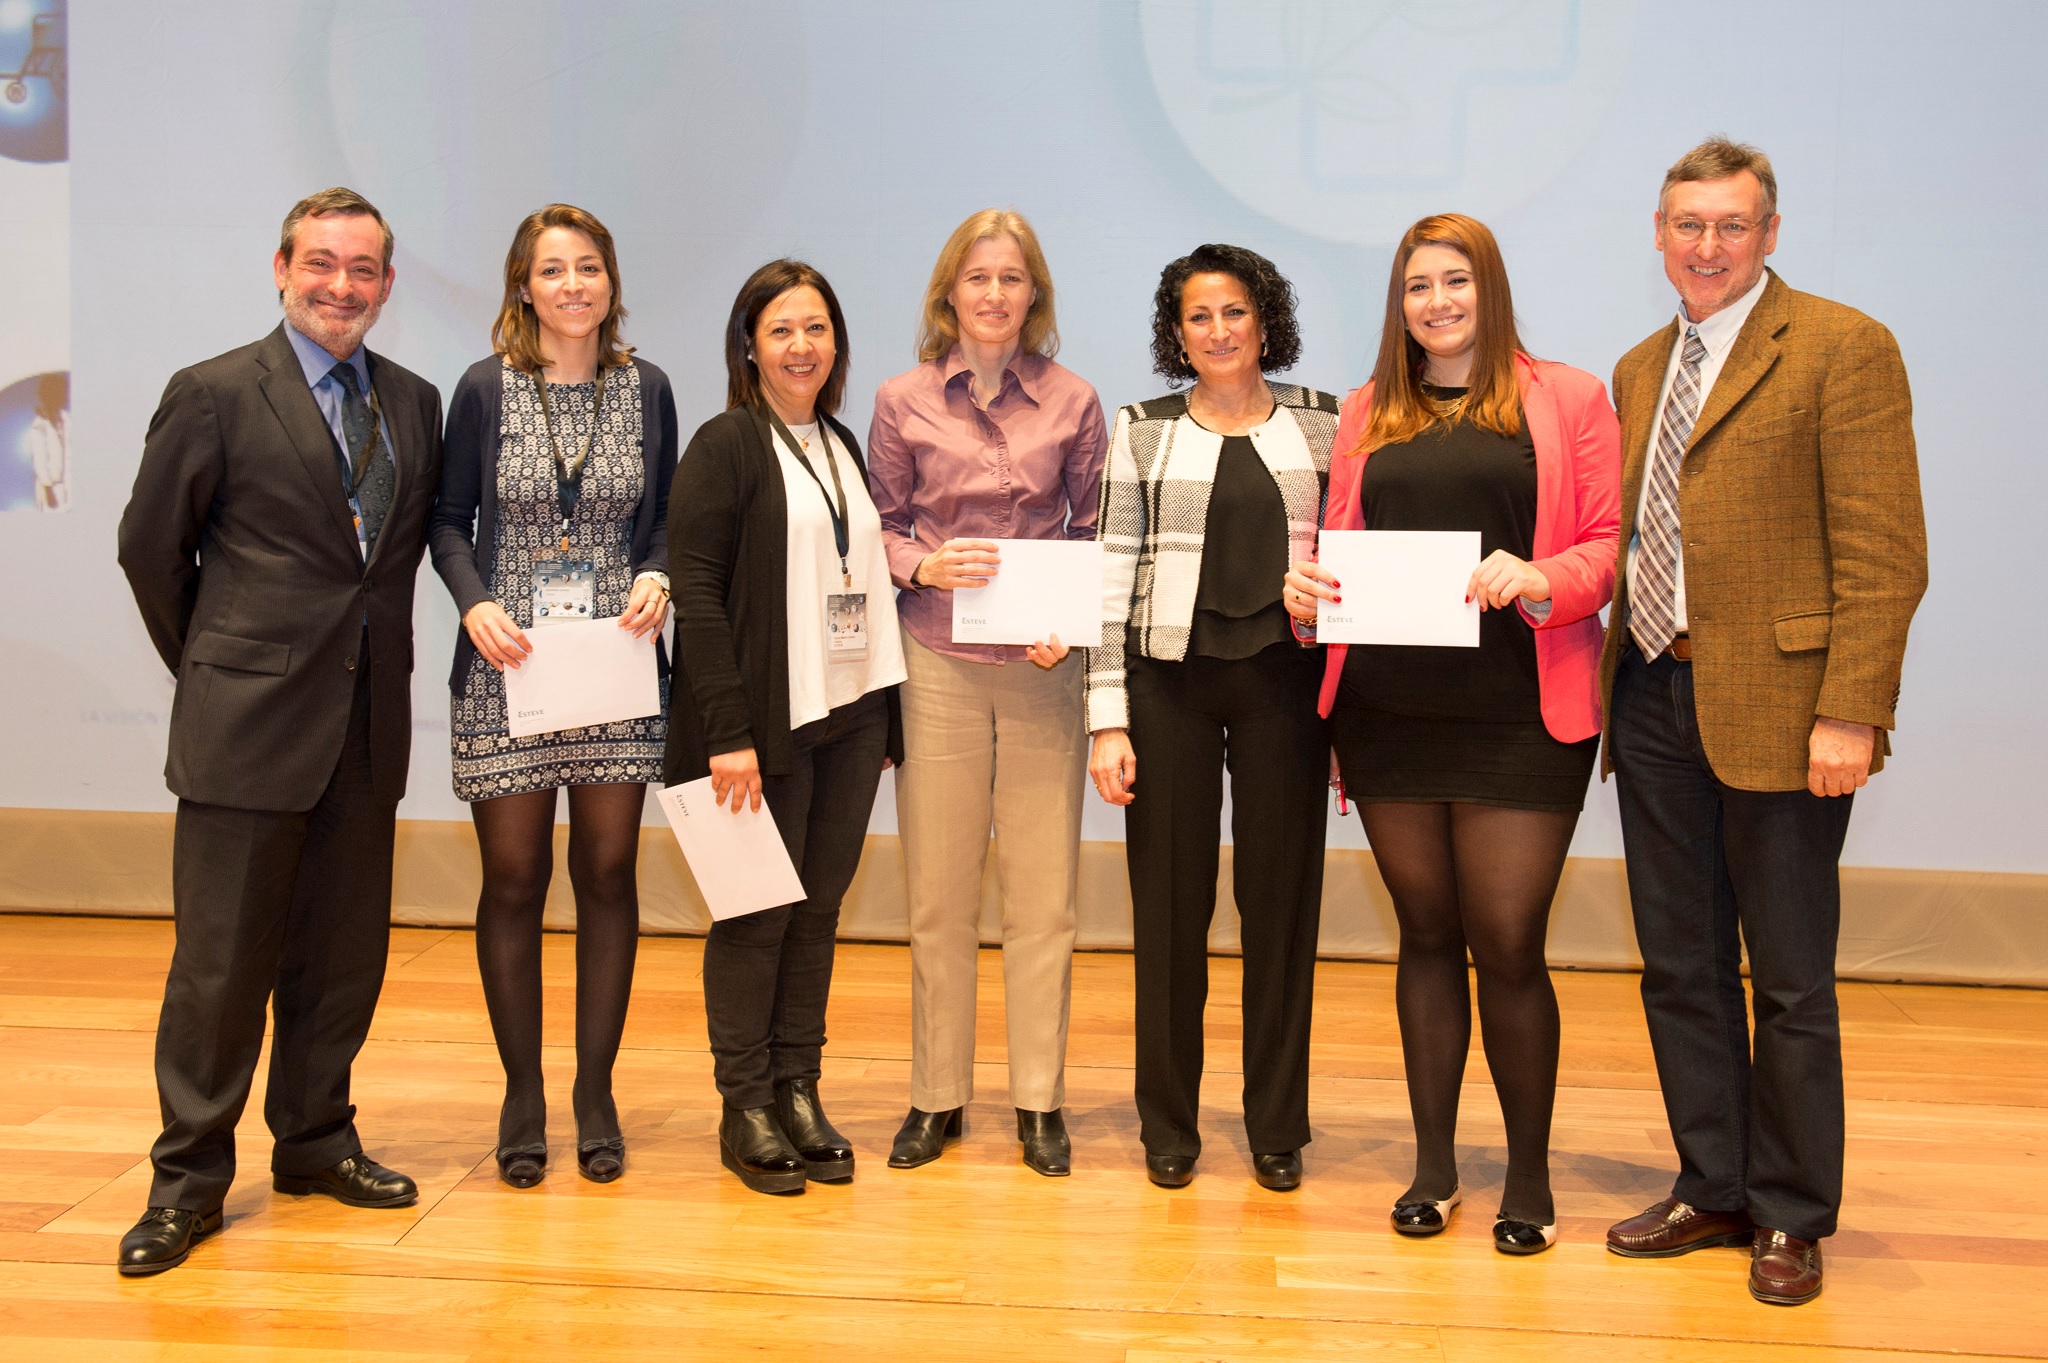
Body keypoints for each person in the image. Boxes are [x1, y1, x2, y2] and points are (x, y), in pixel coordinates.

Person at [1596, 138, 1926, 1306]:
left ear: (1769, 232)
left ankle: (1789, 1212)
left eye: (1730, 225)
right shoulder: (1639, 368)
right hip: (1646, 696)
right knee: (1678, 966)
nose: (1706, 245)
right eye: (1687, 223)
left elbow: (1885, 554)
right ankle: (1712, 1181)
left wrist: (1850, 710)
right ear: (1656, 230)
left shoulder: (1841, 345)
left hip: (1787, 712)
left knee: (1787, 976)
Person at [112, 188, 443, 1274]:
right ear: (280, 266)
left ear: (387, 285)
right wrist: (217, 669)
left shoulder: (414, 401)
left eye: (362, 269)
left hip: (362, 728)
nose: (340, 285)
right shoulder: (211, 393)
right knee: (219, 969)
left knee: (341, 960)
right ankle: (186, 1179)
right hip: (245, 728)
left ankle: (312, 1140)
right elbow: (149, 552)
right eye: (321, 263)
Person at [1284, 214, 1621, 1254]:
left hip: (1521, 714)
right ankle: (1433, 1167)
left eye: (1454, 280)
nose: (1435, 301)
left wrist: (1540, 577)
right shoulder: (1363, 411)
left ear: (1489, 289)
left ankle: (1526, 1176)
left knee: (1507, 943)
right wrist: (1306, 594)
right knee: (1424, 936)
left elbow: (1606, 545)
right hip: (1389, 712)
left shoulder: (1564, 396)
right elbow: (1339, 547)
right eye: (1417, 285)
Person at [428, 205, 679, 1189]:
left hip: (616, 666)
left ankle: (594, 1092)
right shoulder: (483, 390)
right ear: (521, 287)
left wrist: (656, 574)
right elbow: (448, 522)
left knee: (609, 872)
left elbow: (661, 521)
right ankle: (523, 1091)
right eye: (552, 269)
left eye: (588, 267)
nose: (572, 284)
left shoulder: (646, 387)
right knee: (516, 880)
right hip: (510, 666)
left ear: (609, 282)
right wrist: (475, 602)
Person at [1088, 244, 1338, 1192]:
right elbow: (1114, 576)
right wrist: (1106, 718)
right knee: (1169, 913)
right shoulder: (1142, 429)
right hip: (1168, 688)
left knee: (1281, 910)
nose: (1219, 331)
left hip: (1285, 686)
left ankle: (1277, 1123)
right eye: (1199, 316)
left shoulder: (1324, 424)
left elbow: (1352, 551)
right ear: (1177, 332)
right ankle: (1169, 1125)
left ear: (1264, 321)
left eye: (1235, 312)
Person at [867, 209, 1107, 1176]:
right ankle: (937, 1095)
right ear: (949, 294)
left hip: (1045, 670)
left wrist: (1074, 620)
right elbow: (877, 527)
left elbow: (1094, 535)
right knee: (939, 892)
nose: (996, 295)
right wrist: (924, 567)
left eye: (1013, 279)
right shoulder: (900, 399)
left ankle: (1040, 1100)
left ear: (1033, 295)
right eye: (978, 279)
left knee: (1045, 899)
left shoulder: (1078, 401)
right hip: (938, 664)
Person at [664, 259, 907, 1195]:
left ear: (835, 342)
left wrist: (885, 718)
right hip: (760, 726)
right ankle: (747, 1104)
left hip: (850, 719)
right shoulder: (725, 445)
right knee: (755, 913)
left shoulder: (843, 444)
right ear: (749, 347)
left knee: (817, 912)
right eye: (781, 330)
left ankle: (800, 1086)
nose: (801, 346)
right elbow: (701, 596)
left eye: (816, 328)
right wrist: (729, 732)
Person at [28, 370, 69, 511]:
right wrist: (47, 487)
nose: (64, 396)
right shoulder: (39, 425)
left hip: (67, 484)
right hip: (51, 488)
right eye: (60, 392)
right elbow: (39, 459)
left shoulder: (65, 419)